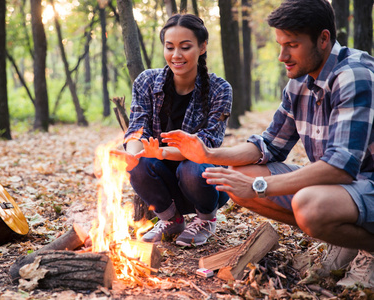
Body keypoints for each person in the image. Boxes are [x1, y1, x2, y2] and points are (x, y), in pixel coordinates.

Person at [158, 0, 374, 288]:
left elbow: (340, 168)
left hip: (364, 183)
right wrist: (207, 153)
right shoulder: (299, 82)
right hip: (346, 191)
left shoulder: (354, 75)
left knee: (308, 205)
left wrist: (261, 187)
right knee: (240, 177)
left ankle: (370, 252)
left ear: (323, 39)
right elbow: (269, 145)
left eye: (292, 45)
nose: (282, 55)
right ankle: (343, 242)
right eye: (280, 44)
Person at [120, 14, 232, 246]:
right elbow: (137, 128)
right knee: (136, 163)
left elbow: (205, 146)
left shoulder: (219, 89)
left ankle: (205, 219)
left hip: (203, 183)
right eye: (169, 47)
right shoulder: (147, 82)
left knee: (192, 167)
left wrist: (160, 152)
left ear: (202, 47)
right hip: (163, 182)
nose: (176, 55)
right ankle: (171, 219)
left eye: (185, 47)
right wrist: (133, 155)